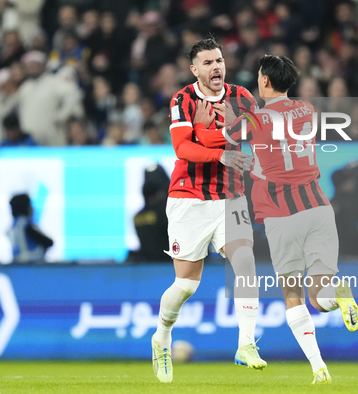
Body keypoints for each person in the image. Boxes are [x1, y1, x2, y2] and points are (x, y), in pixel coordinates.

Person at [194, 54, 358, 384]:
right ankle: (337, 292)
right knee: (319, 294)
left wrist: (207, 121)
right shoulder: (307, 111)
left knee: (293, 296)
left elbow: (220, 139)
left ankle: (319, 368)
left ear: (265, 81)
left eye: (259, 75)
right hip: (319, 208)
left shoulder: (256, 120)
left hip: (282, 214)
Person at [151, 37, 265, 384]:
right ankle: (162, 337)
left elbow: (251, 131)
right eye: (208, 63)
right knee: (186, 285)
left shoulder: (241, 98)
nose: (216, 66)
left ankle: (246, 345)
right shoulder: (182, 100)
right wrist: (219, 148)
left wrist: (205, 132)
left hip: (229, 197)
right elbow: (182, 148)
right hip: (189, 198)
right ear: (194, 70)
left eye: (219, 60)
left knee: (245, 262)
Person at [7, 194, 53, 264]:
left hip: (17, 264)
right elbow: (49, 242)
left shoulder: (13, 226)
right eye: (30, 205)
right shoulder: (26, 224)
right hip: (32, 264)